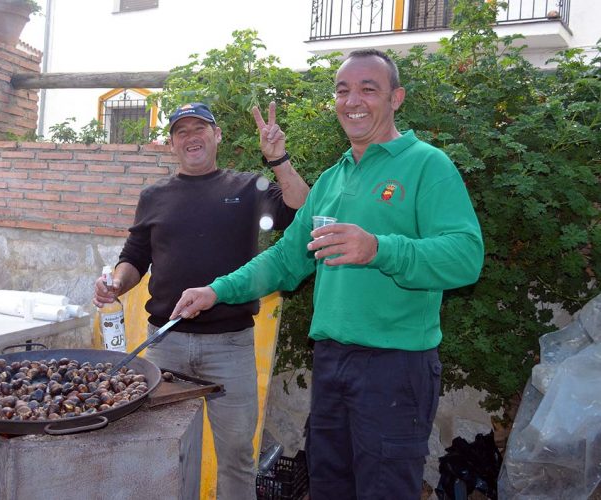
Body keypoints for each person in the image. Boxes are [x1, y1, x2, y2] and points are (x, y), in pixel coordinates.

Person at [171, 49, 485, 499]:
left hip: (395, 366)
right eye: (342, 90)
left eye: (368, 89)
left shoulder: (426, 165)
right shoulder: (333, 179)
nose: (352, 100)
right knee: (329, 486)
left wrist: (378, 248)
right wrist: (216, 291)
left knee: (384, 490)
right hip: (333, 361)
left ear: (396, 98)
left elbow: (466, 257)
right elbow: (285, 260)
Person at [93, 102, 309, 499]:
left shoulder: (247, 188)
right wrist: (115, 283)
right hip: (165, 346)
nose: (191, 137)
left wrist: (277, 157)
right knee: (161, 451)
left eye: (200, 129)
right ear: (172, 143)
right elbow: (134, 258)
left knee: (237, 458)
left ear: (217, 135)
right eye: (181, 132)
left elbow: (299, 208)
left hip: (230, 347)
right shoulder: (154, 196)